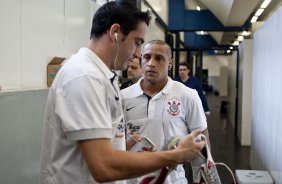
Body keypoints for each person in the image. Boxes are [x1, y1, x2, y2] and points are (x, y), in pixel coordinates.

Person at [40, 2, 205, 184]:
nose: (138, 54)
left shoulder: (101, 78)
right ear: (115, 33)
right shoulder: (84, 77)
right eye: (137, 43)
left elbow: (97, 150)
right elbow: (104, 166)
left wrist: (123, 146)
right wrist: (174, 155)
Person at [121, 40, 210, 183]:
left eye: (159, 58)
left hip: (173, 180)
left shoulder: (188, 95)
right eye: (147, 57)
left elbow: (202, 143)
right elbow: (114, 144)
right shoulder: (123, 97)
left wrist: (204, 179)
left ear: (170, 63)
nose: (151, 63)